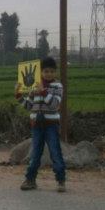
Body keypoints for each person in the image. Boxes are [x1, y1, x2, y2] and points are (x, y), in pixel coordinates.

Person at [15, 56, 66, 192]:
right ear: (41, 72)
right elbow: (29, 106)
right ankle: (30, 180)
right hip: (36, 124)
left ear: (55, 72)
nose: (49, 74)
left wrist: (43, 92)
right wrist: (19, 96)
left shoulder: (58, 86)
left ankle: (61, 180)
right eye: (46, 71)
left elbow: (55, 104)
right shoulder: (34, 86)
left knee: (55, 152)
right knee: (35, 153)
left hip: (51, 125)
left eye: (51, 71)